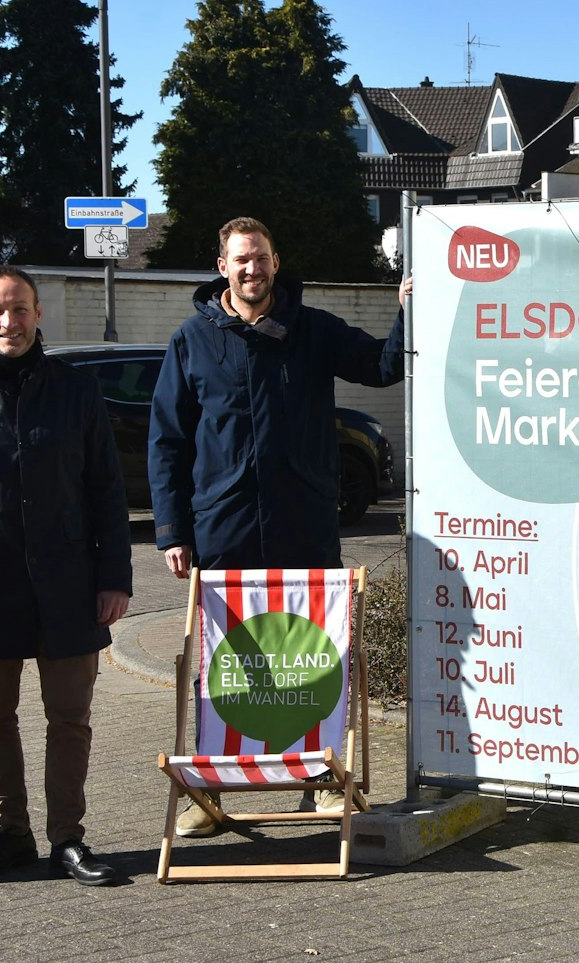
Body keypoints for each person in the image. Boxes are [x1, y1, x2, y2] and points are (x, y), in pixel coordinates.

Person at [147, 216, 408, 838]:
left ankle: (320, 783)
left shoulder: (311, 329)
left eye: (260, 258)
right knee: (223, 662)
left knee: (312, 654)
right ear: (223, 267)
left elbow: (381, 366)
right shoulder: (193, 340)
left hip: (303, 523)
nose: (252, 270)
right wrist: (172, 530)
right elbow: (168, 441)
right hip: (224, 527)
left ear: (275, 261)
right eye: (241, 260)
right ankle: (208, 792)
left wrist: (408, 309)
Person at [0, 267, 133, 887]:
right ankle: (12, 835)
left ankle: (68, 838)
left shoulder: (77, 391)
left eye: (20, 310)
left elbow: (106, 490)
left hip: (70, 585)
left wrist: (114, 576)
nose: (9, 323)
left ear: (39, 315)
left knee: (70, 719)